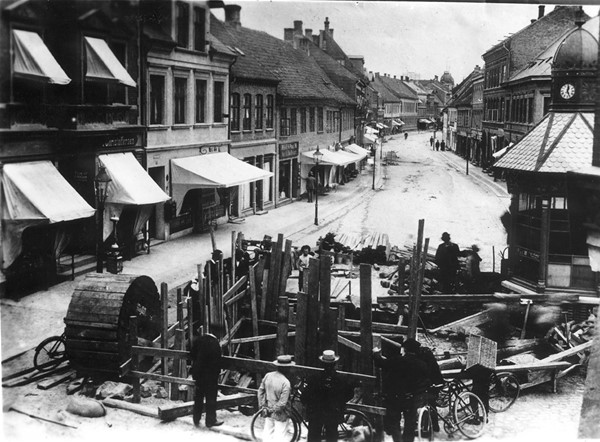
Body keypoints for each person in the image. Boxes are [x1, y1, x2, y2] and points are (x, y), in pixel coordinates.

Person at [302, 350, 353, 442]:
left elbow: (305, 395)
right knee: (332, 436)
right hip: (333, 413)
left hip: (316, 413)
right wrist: (339, 402)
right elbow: (349, 394)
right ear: (335, 364)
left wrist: (308, 403)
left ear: (322, 364)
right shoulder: (340, 379)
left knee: (314, 436)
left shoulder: (314, 378)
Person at [373, 340, 405, 442]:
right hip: (402, 395)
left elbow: (380, 362)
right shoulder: (405, 361)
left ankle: (394, 436)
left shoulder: (394, 361)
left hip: (392, 395)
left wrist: (375, 354)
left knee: (393, 422)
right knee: (396, 420)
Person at [257, 355, 295, 442]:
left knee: (268, 434)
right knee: (280, 435)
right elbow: (282, 404)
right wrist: (272, 409)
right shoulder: (286, 383)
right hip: (281, 413)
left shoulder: (268, 376)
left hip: (268, 409)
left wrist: (263, 406)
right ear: (288, 368)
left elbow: (260, 392)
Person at [190, 332, 223, 428]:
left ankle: (196, 419)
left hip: (199, 374)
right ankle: (210, 421)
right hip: (210, 375)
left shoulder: (198, 340)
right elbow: (218, 360)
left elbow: (192, 355)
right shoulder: (215, 343)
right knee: (211, 398)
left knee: (198, 396)